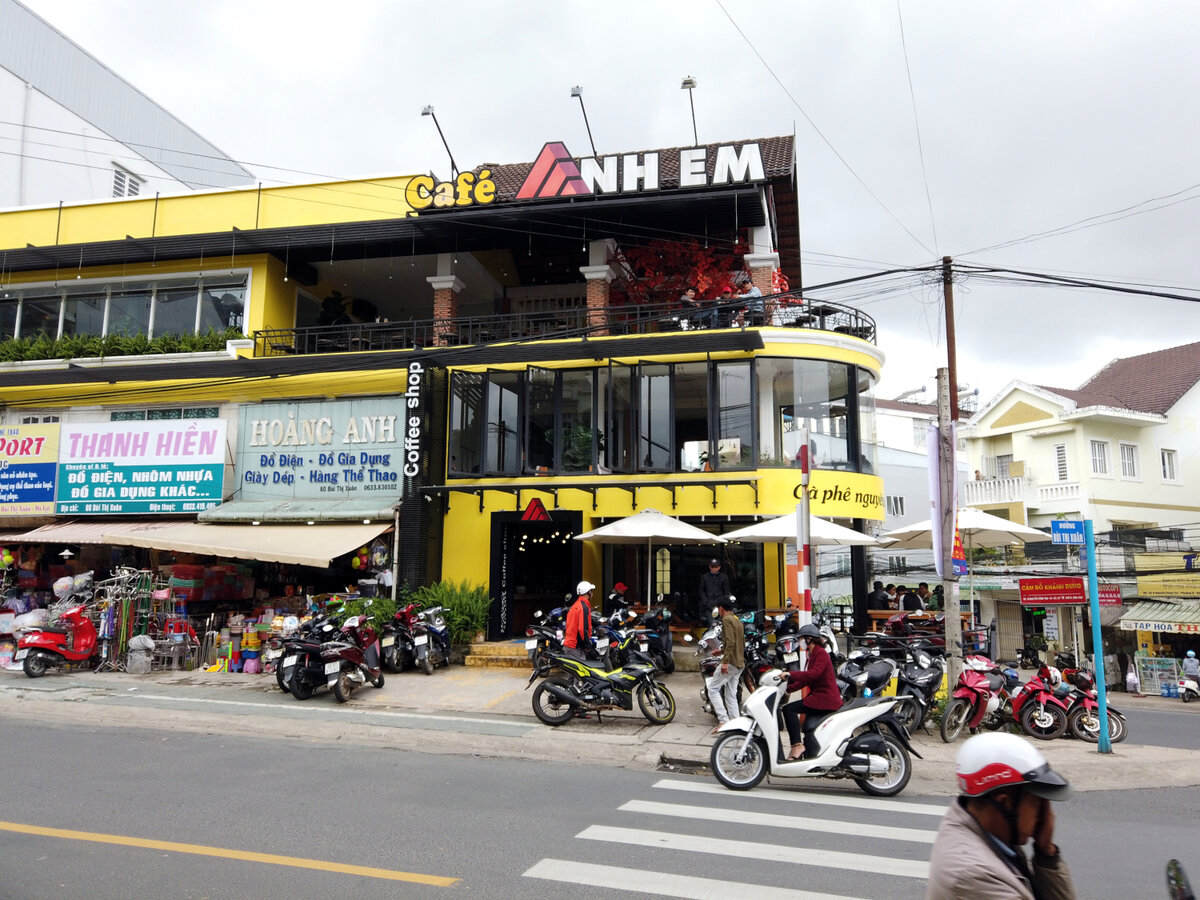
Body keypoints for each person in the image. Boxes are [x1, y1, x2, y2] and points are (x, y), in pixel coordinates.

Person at [927, 732, 1075, 900]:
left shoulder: (981, 829)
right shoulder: (977, 875)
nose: (1044, 816)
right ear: (1004, 803)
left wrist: (1046, 854)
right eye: (1036, 804)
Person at [781, 623, 843, 760]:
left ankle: (796, 745)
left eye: (801, 639)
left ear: (809, 639)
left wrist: (790, 674)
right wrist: (787, 689)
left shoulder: (821, 653)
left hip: (825, 699)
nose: (800, 642)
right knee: (808, 728)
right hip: (818, 697)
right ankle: (809, 756)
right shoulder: (812, 654)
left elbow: (812, 675)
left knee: (789, 710)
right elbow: (806, 680)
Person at [707, 596, 745, 733]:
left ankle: (723, 720)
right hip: (740, 662)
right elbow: (736, 642)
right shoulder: (737, 620)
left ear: (721, 609)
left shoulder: (727, 620)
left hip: (732, 662)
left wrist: (725, 661)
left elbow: (730, 641)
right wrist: (721, 651)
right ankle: (736, 723)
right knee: (731, 695)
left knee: (713, 689)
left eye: (719, 609)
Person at [563, 580, 595, 661]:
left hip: (569, 645)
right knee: (582, 672)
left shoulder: (575, 605)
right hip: (575, 648)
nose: (592, 593)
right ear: (588, 593)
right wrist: (587, 645)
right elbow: (582, 628)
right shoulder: (583, 607)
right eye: (591, 591)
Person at [698, 558, 732, 625]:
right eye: (712, 566)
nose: (714, 568)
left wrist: (723, 602)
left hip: (720, 606)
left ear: (719, 567)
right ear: (709, 567)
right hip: (708, 606)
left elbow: (726, 591)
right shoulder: (705, 577)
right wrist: (705, 601)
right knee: (711, 624)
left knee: (721, 624)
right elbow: (701, 590)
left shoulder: (724, 577)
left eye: (716, 567)